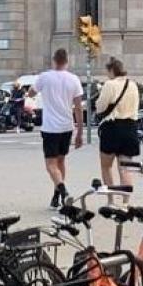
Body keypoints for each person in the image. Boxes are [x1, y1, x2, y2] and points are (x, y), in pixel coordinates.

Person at [33, 48, 86, 208]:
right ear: (67, 61)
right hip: (67, 126)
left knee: (50, 164)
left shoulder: (45, 77)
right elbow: (78, 107)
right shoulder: (74, 79)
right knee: (61, 161)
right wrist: (80, 133)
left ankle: (63, 191)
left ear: (54, 60)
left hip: (50, 127)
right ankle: (57, 197)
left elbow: (30, 92)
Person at [92, 58, 141, 189]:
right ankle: (125, 202)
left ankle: (111, 199)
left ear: (112, 70)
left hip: (112, 128)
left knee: (106, 166)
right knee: (126, 168)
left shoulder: (110, 84)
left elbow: (100, 107)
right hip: (130, 128)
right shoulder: (133, 84)